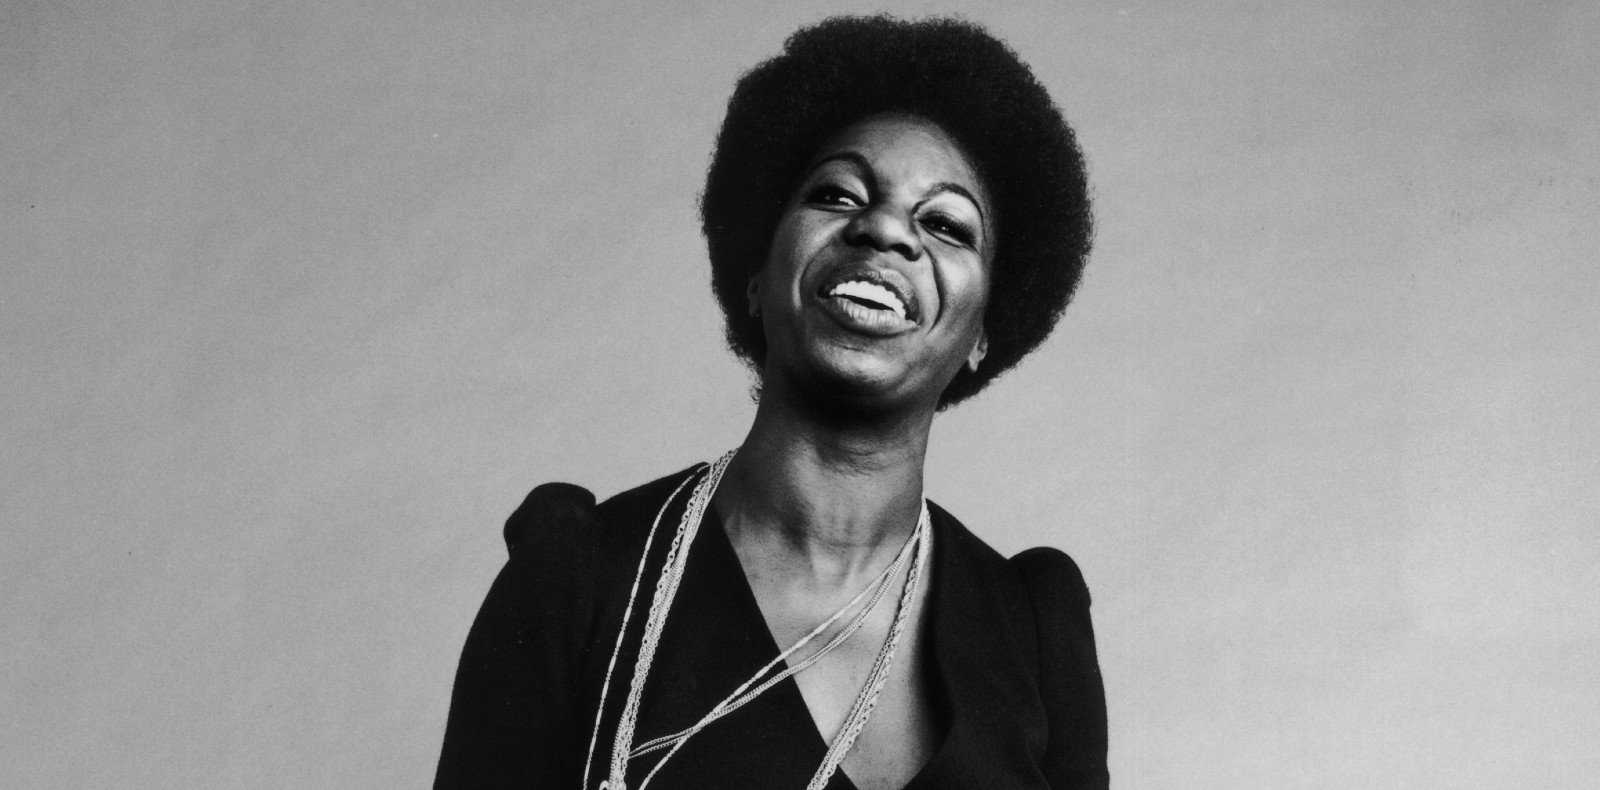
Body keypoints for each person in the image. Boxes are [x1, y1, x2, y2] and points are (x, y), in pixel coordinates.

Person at [436, 14, 1107, 790]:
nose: (884, 229)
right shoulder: (582, 582)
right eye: (837, 193)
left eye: (947, 224)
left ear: (986, 331)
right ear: (757, 274)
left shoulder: (1033, 629)